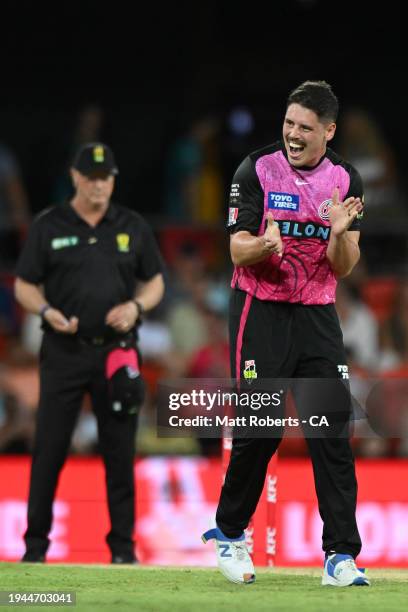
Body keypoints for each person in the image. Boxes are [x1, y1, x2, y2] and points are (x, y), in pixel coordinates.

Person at [202, 81, 370, 587]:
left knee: (332, 434)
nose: (293, 134)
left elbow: (344, 267)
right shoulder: (255, 170)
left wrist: (338, 233)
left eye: (305, 127)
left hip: (317, 316)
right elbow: (236, 252)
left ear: (328, 130)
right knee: (261, 429)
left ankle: (340, 556)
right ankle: (230, 535)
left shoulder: (346, 179)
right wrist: (265, 246)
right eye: (289, 123)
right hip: (261, 311)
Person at [15, 142, 165, 563]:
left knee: (120, 451)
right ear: (76, 177)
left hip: (117, 353)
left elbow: (154, 282)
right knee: (49, 450)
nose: (100, 185)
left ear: (114, 180)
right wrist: (46, 310)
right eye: (92, 177)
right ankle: (35, 549)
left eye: (107, 178)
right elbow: (25, 283)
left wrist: (136, 306)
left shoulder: (132, 225)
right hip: (64, 350)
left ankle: (122, 551)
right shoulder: (50, 224)